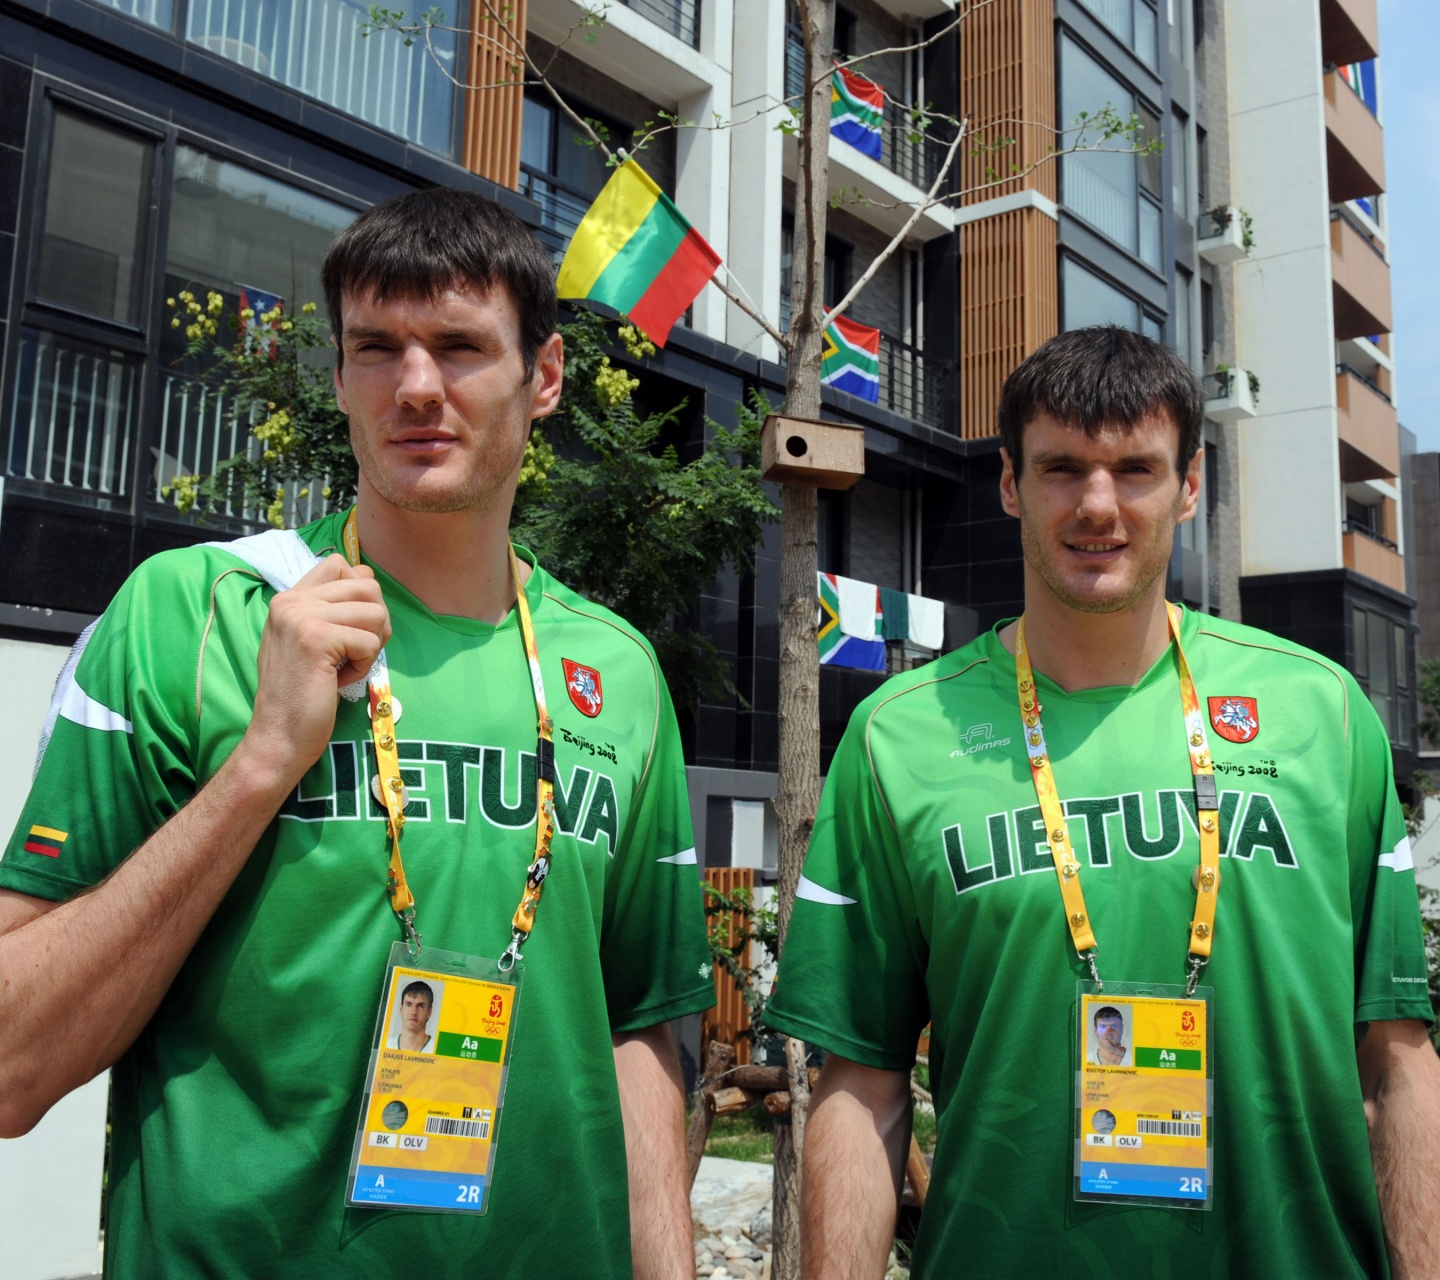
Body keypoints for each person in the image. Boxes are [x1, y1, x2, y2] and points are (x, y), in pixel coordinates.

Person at [0, 188, 713, 1278]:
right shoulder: (188, 614)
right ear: (337, 377)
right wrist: (259, 767)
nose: (417, 387)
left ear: (549, 377)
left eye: (462, 347)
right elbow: (14, 1058)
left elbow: (640, 1031)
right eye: (377, 347)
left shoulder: (617, 670)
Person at [764, 328, 1440, 1279]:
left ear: (1189, 485)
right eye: (1061, 469)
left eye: (1135, 469)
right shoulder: (895, 739)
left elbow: (1397, 1063)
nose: (1096, 505)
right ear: (1008, 482)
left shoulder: (1321, 714)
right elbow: (863, 1088)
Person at [390, 980, 435, 1053]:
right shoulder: (387, 1046)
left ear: (429, 1012)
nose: (413, 1012)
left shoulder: (437, 1051)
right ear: (401, 1008)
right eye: (409, 1004)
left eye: (420, 1006)